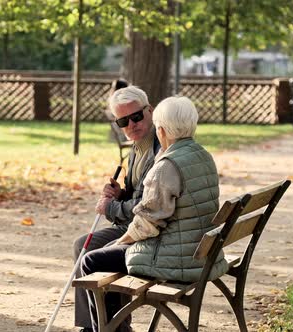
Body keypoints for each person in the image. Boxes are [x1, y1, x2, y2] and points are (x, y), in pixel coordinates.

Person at [80, 96, 228, 331]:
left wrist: (121, 241)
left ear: (160, 130)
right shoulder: (203, 155)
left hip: (177, 259)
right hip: (202, 253)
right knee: (102, 254)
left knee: (92, 260)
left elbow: (147, 224)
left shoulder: (166, 166)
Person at [73, 86, 160, 332]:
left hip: (148, 232)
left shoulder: (159, 150)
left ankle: (111, 327)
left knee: (93, 253)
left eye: (137, 116)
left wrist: (111, 208)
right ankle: (94, 326)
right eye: (123, 121)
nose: (132, 124)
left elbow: (147, 208)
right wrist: (120, 194)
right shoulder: (136, 147)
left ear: (150, 111)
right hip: (134, 227)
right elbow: (138, 195)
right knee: (82, 246)